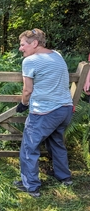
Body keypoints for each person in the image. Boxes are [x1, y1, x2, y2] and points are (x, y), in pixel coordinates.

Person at [14, 28, 73, 198]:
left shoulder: (30, 61)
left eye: (23, 44)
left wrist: (23, 104)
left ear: (34, 43)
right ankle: (64, 177)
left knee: (28, 148)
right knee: (56, 143)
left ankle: (30, 186)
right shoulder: (56, 55)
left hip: (44, 112)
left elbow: (27, 90)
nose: (20, 48)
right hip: (65, 109)